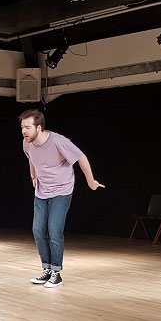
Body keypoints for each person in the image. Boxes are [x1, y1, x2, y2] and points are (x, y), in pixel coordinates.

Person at [20, 109, 104, 288]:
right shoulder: (27, 143)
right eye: (22, 127)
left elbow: (81, 157)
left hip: (61, 191)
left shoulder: (58, 141)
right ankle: (47, 269)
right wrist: (33, 177)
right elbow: (31, 159)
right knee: (38, 230)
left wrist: (90, 180)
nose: (24, 131)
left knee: (54, 231)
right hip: (41, 191)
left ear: (39, 128)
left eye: (27, 127)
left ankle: (56, 272)